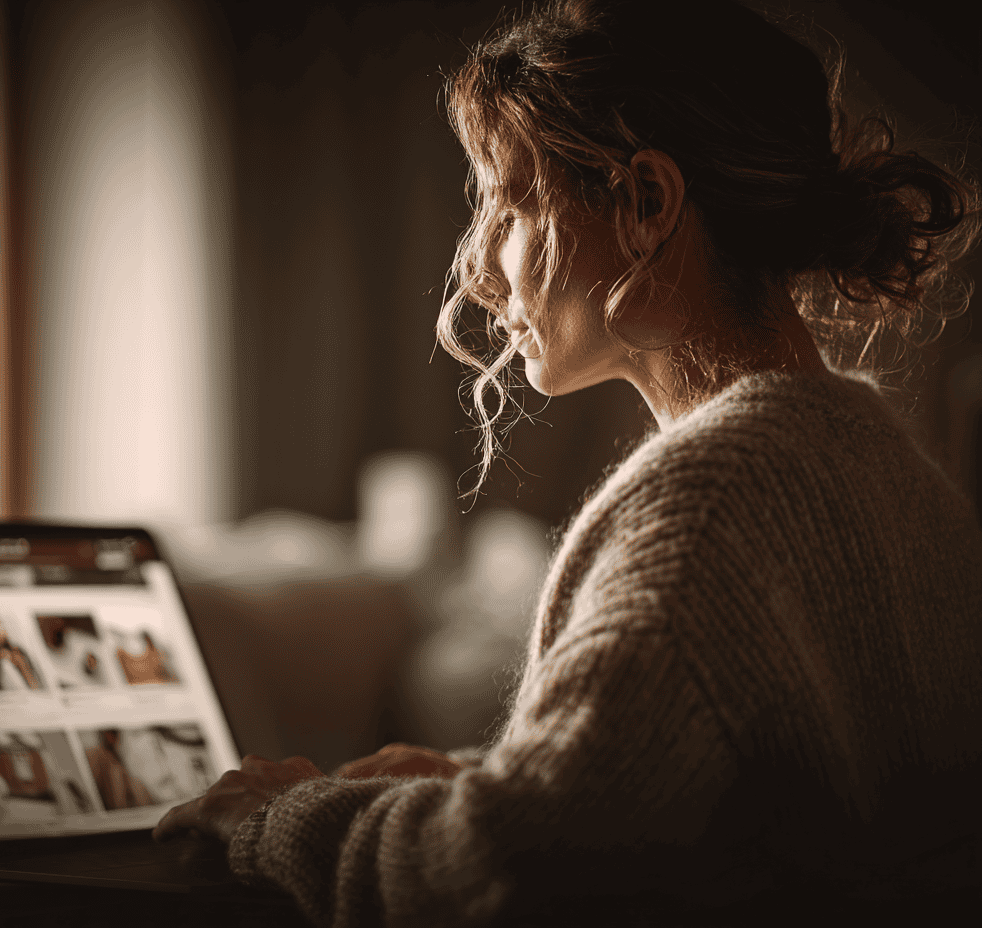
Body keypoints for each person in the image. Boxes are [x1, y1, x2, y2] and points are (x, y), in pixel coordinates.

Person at [154, 1, 982, 924]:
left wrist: (283, 815)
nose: (482, 273)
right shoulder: (888, 465)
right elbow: (747, 814)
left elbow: (505, 872)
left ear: (647, 204)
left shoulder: (709, 503)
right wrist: (483, 777)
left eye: (511, 200)